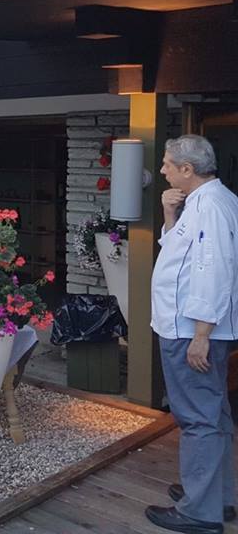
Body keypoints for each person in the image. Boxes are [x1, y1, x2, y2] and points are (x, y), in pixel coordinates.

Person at [146, 135, 238, 534]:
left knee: (198, 418)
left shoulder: (211, 207)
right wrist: (169, 215)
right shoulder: (204, 202)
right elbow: (179, 255)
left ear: (187, 169)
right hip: (190, 327)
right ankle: (216, 496)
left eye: (168, 164)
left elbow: (212, 270)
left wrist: (201, 334)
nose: (162, 170)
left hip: (191, 331)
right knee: (213, 413)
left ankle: (200, 512)